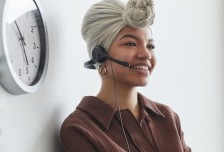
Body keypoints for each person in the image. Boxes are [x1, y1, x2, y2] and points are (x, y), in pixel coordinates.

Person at [60, 0, 191, 151]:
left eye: (150, 46)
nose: (146, 54)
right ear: (99, 55)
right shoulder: (79, 129)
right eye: (130, 43)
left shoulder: (167, 118)